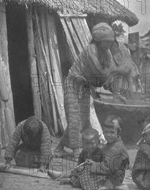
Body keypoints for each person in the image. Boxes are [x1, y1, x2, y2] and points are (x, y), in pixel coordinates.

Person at [58, 22, 140, 155]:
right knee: (74, 117)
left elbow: (104, 80)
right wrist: (122, 69)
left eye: (110, 42)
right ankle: (76, 151)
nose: (108, 45)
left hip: (84, 86)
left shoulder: (106, 53)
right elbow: (101, 72)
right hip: (73, 83)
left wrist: (116, 93)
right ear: (98, 41)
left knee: (83, 119)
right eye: (105, 42)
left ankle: (60, 148)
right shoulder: (91, 50)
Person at [87, 115, 130, 189]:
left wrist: (93, 166)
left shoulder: (117, 147)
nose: (108, 135)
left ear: (118, 132)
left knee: (86, 176)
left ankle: (72, 178)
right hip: (110, 172)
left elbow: (107, 168)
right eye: (106, 132)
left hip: (114, 178)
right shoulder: (111, 143)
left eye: (112, 132)